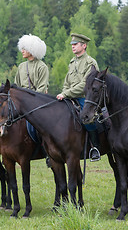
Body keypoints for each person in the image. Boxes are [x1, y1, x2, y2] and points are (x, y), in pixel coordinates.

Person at [56, 33, 101, 162]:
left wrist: (66, 93)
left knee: (87, 118)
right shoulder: (72, 62)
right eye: (72, 45)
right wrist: (64, 93)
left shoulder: (91, 63)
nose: (73, 47)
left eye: (75, 44)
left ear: (84, 45)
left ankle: (95, 148)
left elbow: (85, 84)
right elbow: (66, 81)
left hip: (84, 98)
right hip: (69, 97)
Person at [15, 34, 51, 166]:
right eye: (22, 48)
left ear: (33, 50)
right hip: (21, 104)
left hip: (37, 104)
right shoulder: (21, 67)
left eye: (25, 48)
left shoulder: (42, 67)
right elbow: (17, 85)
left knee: (41, 127)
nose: (22, 50)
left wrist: (28, 101)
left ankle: (47, 152)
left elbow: (41, 89)